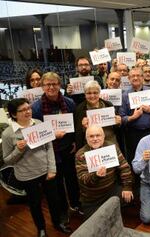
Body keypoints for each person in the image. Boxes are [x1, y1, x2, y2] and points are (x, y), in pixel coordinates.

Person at [2, 98, 71, 237]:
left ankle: (57, 223)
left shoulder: (38, 123)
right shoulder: (8, 134)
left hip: (46, 171)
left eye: (28, 108)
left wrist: (52, 168)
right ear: (14, 114)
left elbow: (49, 147)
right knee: (35, 204)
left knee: (54, 200)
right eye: (22, 110)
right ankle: (41, 229)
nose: (27, 112)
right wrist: (18, 150)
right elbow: (7, 160)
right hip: (27, 175)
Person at [32, 72, 81, 219]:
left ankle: (75, 204)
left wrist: (74, 142)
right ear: (42, 87)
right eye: (48, 84)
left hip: (68, 148)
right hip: (50, 152)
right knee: (57, 183)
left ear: (59, 85)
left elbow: (75, 125)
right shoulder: (36, 108)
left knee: (72, 179)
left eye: (54, 84)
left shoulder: (69, 103)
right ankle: (63, 211)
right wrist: (53, 135)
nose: (51, 87)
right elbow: (36, 134)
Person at [75, 126, 134, 219]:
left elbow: (124, 167)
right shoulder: (80, 154)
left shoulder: (112, 147)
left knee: (129, 197)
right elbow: (83, 179)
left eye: (98, 135)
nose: (95, 139)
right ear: (86, 138)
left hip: (111, 191)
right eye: (91, 136)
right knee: (94, 225)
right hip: (92, 198)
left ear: (103, 136)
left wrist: (127, 187)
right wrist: (96, 175)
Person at [119, 67, 150, 163]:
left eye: (138, 75)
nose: (135, 78)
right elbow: (121, 118)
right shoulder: (124, 95)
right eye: (133, 76)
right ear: (129, 78)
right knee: (135, 159)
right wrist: (132, 117)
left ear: (143, 77)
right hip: (133, 134)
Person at [74, 80, 121, 150]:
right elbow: (78, 134)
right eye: (89, 93)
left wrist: (118, 122)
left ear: (99, 93)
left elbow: (116, 128)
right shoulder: (79, 109)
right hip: (91, 146)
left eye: (95, 93)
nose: (92, 96)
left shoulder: (108, 105)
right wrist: (83, 127)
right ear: (85, 94)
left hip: (110, 142)